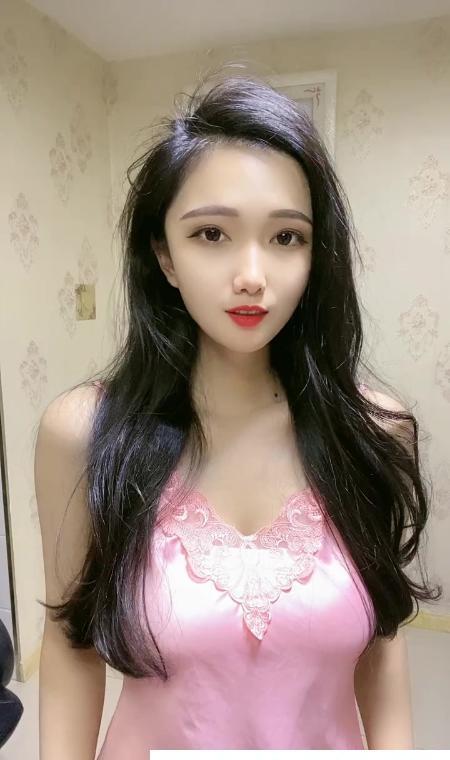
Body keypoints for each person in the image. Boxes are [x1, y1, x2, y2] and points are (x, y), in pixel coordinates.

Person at [35, 70, 441, 758]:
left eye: (286, 238)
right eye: (211, 234)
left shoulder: (376, 430)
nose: (252, 274)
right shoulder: (84, 432)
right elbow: (71, 645)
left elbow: (382, 642)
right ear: (163, 254)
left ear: (316, 255)